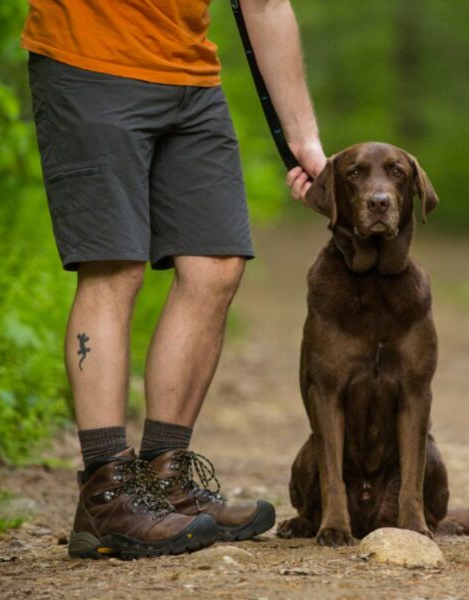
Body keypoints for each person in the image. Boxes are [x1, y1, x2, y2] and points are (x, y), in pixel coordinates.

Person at [22, 0, 325, 558]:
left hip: (190, 77)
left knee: (216, 265)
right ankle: (106, 492)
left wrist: (303, 138)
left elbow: (265, 3)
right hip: (88, 63)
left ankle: (166, 478)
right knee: (115, 267)